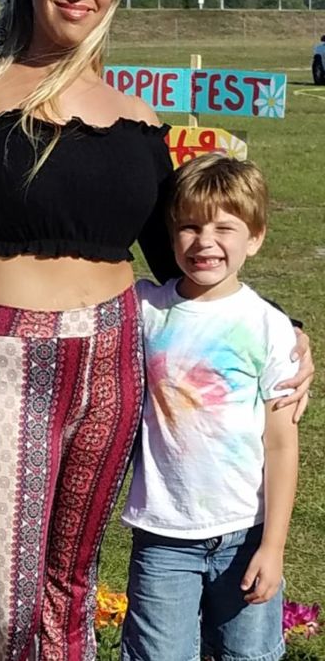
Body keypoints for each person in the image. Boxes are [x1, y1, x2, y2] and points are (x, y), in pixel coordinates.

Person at [0, 0, 312, 660]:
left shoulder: (138, 122)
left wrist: (283, 325)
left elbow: (180, 258)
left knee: (73, 585)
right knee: (13, 597)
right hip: (12, 357)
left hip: (116, 357)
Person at [121, 154, 299, 661]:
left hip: (246, 531)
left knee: (249, 655)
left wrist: (273, 546)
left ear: (255, 238)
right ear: (170, 234)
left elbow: (281, 444)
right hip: (163, 536)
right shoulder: (144, 308)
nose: (205, 242)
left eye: (224, 228)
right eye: (190, 227)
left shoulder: (267, 325)